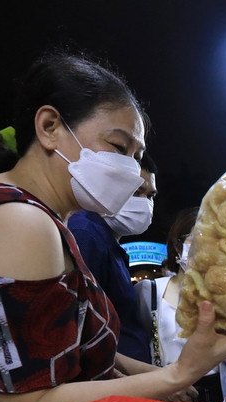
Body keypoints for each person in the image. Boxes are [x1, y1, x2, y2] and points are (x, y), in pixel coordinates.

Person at [0, 51, 226, 402]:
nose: (129, 170)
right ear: (50, 127)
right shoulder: (20, 222)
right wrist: (175, 375)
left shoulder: (49, 220)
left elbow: (64, 350)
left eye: (137, 157)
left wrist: (161, 373)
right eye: (118, 147)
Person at [138, 207, 226, 402]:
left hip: (218, 397)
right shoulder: (148, 291)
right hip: (167, 395)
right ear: (178, 246)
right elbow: (138, 350)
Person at [67, 152, 158, 363]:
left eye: (151, 195)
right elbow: (79, 331)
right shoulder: (85, 233)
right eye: (136, 192)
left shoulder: (109, 242)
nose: (145, 202)